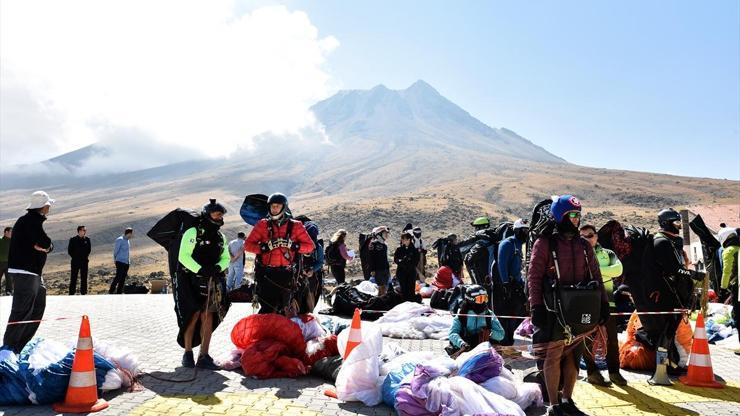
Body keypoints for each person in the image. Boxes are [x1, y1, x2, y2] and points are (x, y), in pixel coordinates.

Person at [528, 195, 606, 416]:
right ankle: (553, 405)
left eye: (578, 216)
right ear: (559, 215)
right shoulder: (544, 243)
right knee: (553, 357)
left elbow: (596, 275)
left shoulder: (583, 245)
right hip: (553, 310)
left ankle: (567, 400)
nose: (576, 220)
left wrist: (603, 304)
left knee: (574, 357)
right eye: (571, 215)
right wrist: (536, 307)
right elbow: (533, 278)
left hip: (579, 310)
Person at [642, 208, 705, 373]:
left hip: (675, 292)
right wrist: (693, 274)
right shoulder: (661, 242)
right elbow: (672, 269)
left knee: (670, 330)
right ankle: (662, 367)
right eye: (676, 222)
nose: (678, 226)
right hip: (666, 293)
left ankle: (669, 363)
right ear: (667, 223)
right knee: (666, 332)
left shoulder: (672, 241)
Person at [176, 199, 231, 369]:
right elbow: (183, 256)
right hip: (190, 281)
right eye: (216, 214)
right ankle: (187, 354)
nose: (219, 217)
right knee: (192, 316)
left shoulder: (221, 237)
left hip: (213, 282)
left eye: (221, 215)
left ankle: (204, 356)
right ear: (207, 215)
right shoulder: (192, 233)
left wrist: (217, 267)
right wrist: (200, 270)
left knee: (208, 316)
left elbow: (226, 258)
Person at [245, 193, 314, 315]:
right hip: (266, 275)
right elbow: (248, 245)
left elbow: (309, 247)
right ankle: (266, 333)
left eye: (277, 206)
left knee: (285, 309)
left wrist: (293, 245)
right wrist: (265, 247)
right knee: (267, 309)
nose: (274, 208)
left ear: (284, 207)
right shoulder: (262, 224)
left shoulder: (296, 225)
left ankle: (281, 332)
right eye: (272, 206)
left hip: (287, 275)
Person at [2, 191, 55, 354]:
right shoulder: (30, 222)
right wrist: (45, 246)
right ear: (44, 206)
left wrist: (46, 246)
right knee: (22, 310)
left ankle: (19, 346)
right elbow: (45, 242)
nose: (50, 207)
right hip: (25, 272)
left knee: (37, 307)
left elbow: (47, 245)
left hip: (33, 272)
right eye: (49, 204)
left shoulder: (33, 221)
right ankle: (8, 349)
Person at [579, 224, 628, 386]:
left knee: (612, 339)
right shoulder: (577, 253)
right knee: (587, 339)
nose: (588, 238)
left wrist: (594, 270)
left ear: (597, 236)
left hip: (609, 302)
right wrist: (605, 271)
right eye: (583, 236)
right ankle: (592, 372)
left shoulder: (609, 253)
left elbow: (618, 270)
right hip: (586, 302)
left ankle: (614, 372)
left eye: (590, 235)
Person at [493, 218, 529, 346]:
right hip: (507, 285)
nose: (526, 233)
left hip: (517, 284)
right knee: (506, 312)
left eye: (527, 230)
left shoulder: (519, 244)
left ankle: (509, 335)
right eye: (523, 230)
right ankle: (504, 338)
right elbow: (502, 264)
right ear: (516, 230)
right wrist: (505, 283)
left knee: (520, 311)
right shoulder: (507, 243)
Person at [446, 285, 504, 356]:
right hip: (466, 349)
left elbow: (501, 334)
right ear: (471, 300)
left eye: (484, 298)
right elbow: (452, 333)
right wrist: (462, 344)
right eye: (480, 299)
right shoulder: (462, 315)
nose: (483, 302)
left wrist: (490, 333)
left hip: (484, 349)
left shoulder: (489, 314)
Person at [717, 227, 739, 355]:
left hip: (738, 287)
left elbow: (727, 271)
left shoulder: (729, 251)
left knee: (738, 316)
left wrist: (723, 288)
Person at [394, 231, 420, 301]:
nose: (402, 241)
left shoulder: (414, 250)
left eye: (404, 239)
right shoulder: (399, 249)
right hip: (401, 272)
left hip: (411, 272)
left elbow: (416, 261)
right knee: (403, 289)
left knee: (411, 289)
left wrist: (408, 263)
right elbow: (395, 259)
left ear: (409, 240)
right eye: (402, 239)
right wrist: (401, 261)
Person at [68, 225, 91, 295]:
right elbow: (70, 251)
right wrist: (75, 257)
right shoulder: (73, 239)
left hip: (84, 262)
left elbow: (89, 250)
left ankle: (84, 293)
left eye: (85, 230)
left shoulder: (87, 239)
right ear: (79, 231)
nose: (84, 232)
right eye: (83, 230)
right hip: (75, 262)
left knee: (84, 278)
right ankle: (71, 293)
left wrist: (84, 257)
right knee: (73, 278)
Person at [367, 226, 391, 296]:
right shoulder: (373, 244)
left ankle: (381, 301)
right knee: (381, 287)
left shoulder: (384, 245)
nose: (386, 235)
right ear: (379, 234)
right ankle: (381, 302)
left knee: (385, 287)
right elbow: (371, 258)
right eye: (384, 233)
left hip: (385, 268)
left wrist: (387, 268)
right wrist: (372, 269)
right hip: (378, 269)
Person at [110, 228, 133, 294]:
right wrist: (115, 259)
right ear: (128, 233)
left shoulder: (127, 241)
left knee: (123, 279)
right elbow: (116, 251)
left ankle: (119, 292)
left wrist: (128, 262)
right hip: (120, 261)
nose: (131, 236)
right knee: (118, 277)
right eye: (131, 234)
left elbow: (127, 252)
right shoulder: (120, 240)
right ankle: (111, 291)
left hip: (126, 262)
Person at [0, 227, 12, 295]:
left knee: (9, 278)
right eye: (11, 232)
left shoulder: (13, 241)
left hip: (9, 263)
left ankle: (9, 292)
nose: (12, 233)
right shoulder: (0, 240)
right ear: (6, 232)